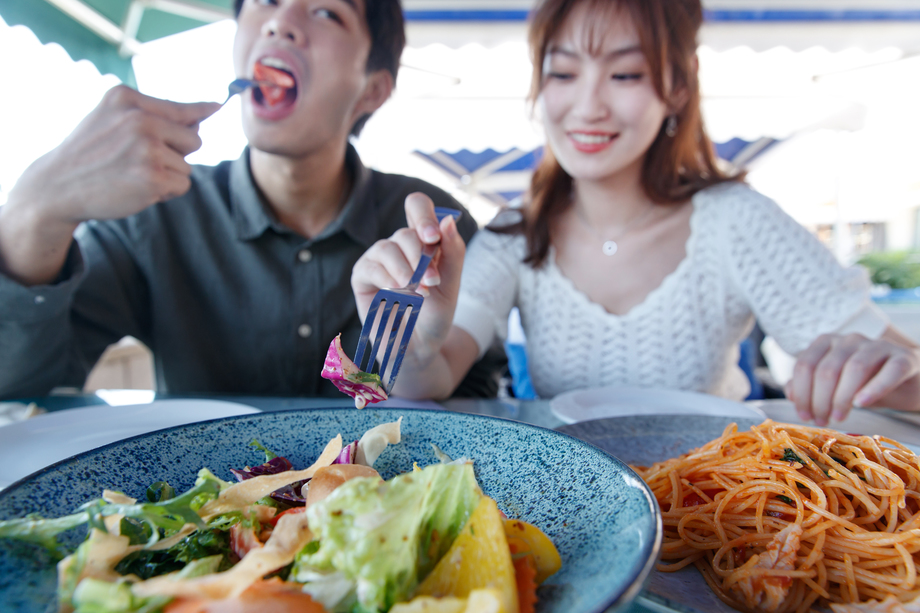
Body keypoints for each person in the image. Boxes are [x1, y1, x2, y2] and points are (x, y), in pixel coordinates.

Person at [351, 0, 920, 426]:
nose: (588, 106)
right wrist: (412, 344)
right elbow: (432, 378)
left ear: (677, 89)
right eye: (563, 73)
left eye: (624, 74)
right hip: (569, 507)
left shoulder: (736, 221)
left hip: (720, 505)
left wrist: (881, 367)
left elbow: (903, 372)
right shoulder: (514, 233)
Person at [0, 0, 498, 399]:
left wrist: (417, 360)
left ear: (373, 90)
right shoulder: (154, 215)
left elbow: (481, 400)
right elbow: (20, 388)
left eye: (327, 12)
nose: (281, 23)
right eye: (265, 2)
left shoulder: (431, 232)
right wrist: (35, 213)